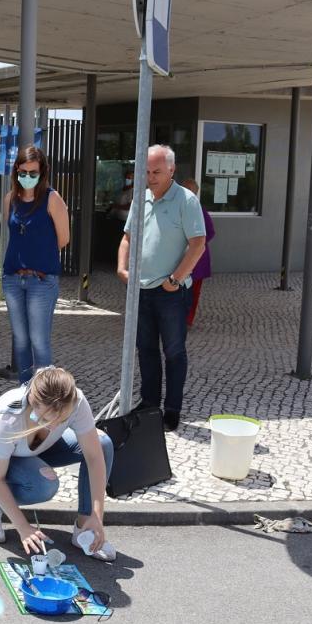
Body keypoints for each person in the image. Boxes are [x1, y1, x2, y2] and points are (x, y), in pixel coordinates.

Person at [0, 366, 115, 561]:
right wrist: (23, 527)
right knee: (44, 484)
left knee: (103, 443)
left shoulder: (76, 401)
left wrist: (96, 516)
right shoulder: (8, 415)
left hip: (41, 447)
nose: (55, 426)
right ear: (33, 402)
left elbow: (94, 457)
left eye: (62, 420)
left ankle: (84, 528)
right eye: (47, 419)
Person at [117, 145, 206, 432]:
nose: (150, 177)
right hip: (141, 289)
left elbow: (198, 245)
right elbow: (128, 238)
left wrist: (176, 279)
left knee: (174, 351)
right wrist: (122, 268)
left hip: (171, 292)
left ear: (171, 170)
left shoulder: (186, 200)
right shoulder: (139, 199)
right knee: (145, 349)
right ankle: (150, 402)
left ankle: (173, 409)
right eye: (146, 171)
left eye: (156, 171)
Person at [1, 146, 70, 384]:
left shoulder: (52, 199)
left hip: (41, 280)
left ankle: (44, 396)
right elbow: (13, 233)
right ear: (16, 171)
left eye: (33, 172)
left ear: (42, 173)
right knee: (20, 339)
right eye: (23, 172)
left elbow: (63, 238)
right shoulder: (10, 199)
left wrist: (39, 255)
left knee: (39, 340)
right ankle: (24, 390)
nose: (27, 177)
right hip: (12, 278)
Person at [181, 178, 215, 328]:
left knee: (192, 291)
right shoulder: (183, 207)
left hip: (196, 259)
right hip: (184, 258)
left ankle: (187, 319)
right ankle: (181, 318)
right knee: (183, 290)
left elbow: (210, 233)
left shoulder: (198, 210)